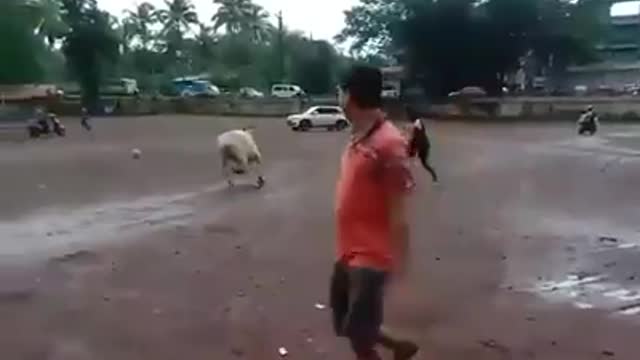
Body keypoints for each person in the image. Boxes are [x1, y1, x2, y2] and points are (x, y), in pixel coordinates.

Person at [331, 65, 419, 360]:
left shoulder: (388, 145)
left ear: (349, 96)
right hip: (347, 250)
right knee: (348, 325)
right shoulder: (359, 136)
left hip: (372, 256)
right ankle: (401, 348)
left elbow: (398, 211)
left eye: (341, 92)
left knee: (358, 334)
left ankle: (394, 350)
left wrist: (400, 264)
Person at [406, 106, 439, 183]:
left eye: (408, 115)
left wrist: (414, 148)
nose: (408, 117)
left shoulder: (417, 122)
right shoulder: (416, 123)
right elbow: (415, 136)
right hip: (422, 145)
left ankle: (411, 180)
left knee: (421, 163)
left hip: (422, 146)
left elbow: (417, 135)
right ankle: (434, 178)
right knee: (422, 163)